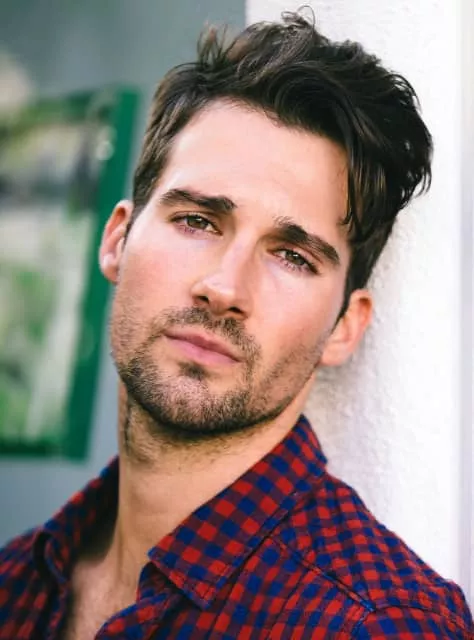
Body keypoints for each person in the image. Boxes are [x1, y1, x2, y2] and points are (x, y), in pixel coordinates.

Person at [0, 11, 472, 640]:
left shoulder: (378, 626)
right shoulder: (14, 582)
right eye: (197, 221)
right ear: (117, 240)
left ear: (344, 326)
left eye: (293, 256)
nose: (224, 288)